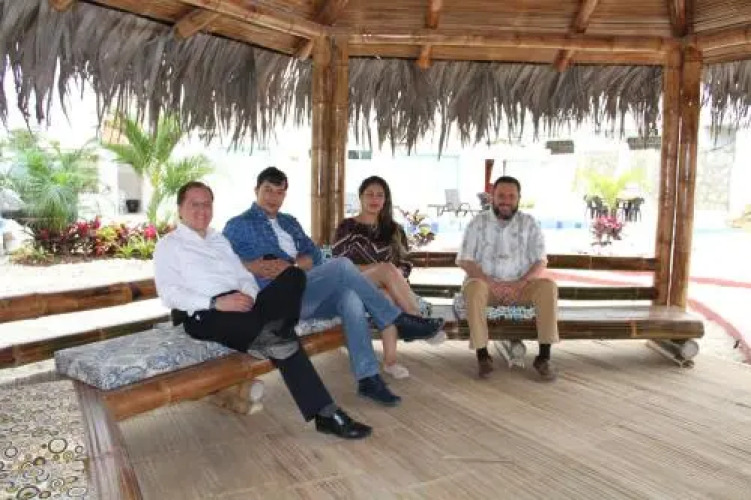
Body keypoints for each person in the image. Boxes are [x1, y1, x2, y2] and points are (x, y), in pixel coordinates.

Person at [154, 181, 371, 439]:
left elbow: (243, 276)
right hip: (204, 313)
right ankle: (325, 412)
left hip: (244, 305)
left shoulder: (218, 240)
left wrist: (249, 295)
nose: (202, 210)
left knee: (293, 276)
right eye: (194, 204)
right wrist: (216, 302)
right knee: (283, 340)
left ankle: (268, 336)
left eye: (207, 204)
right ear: (180, 208)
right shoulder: (169, 245)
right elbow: (169, 294)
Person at [223, 168, 445, 407]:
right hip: (274, 299)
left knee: (350, 297)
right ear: (256, 190)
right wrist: (252, 266)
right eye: (268, 190)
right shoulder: (238, 225)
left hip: (304, 292)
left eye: (280, 192)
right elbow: (221, 261)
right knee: (342, 265)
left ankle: (368, 379)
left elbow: (315, 256)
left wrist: (293, 264)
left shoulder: (289, 223)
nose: (273, 197)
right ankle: (399, 320)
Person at [333, 176, 440, 379]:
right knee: (386, 269)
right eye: (369, 194)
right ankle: (417, 322)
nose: (374, 199)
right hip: (353, 284)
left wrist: (395, 276)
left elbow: (406, 263)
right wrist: (381, 270)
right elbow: (339, 265)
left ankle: (390, 362)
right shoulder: (347, 227)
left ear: (385, 200)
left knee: (387, 296)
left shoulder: (394, 229)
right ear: (360, 197)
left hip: (386, 288)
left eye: (379, 195)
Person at [456, 176, 559, 381]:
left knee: (548, 286)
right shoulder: (477, 223)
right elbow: (465, 260)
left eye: (511, 196)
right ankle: (483, 356)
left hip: (521, 288)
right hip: (486, 287)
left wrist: (520, 284)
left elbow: (541, 261)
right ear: (492, 197)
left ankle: (544, 357)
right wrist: (491, 284)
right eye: (501, 195)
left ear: (519, 198)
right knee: (474, 288)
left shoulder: (529, 223)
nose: (506, 200)